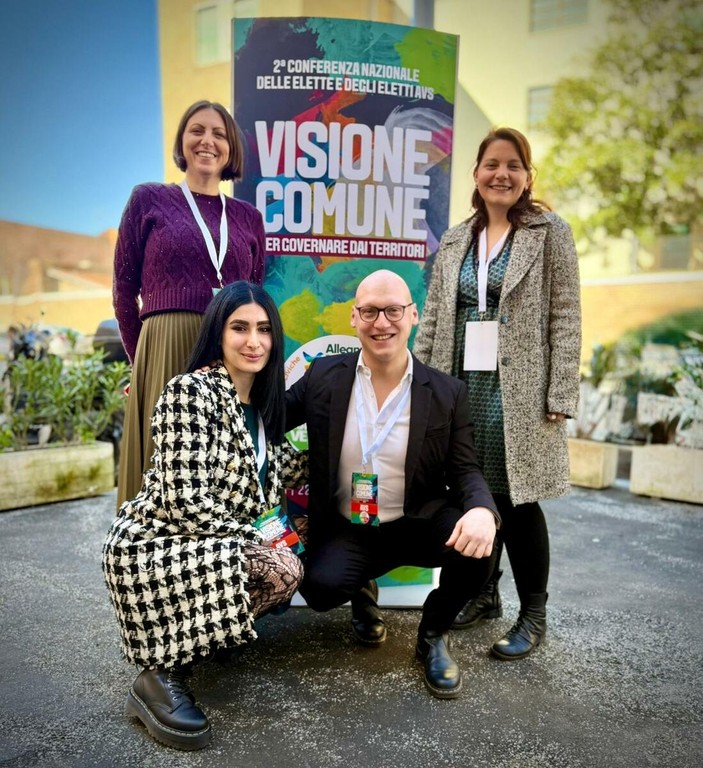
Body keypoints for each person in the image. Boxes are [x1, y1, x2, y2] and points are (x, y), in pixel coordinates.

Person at [102, 282, 306, 750]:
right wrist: (260, 541)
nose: (253, 341)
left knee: (304, 539)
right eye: (240, 328)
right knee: (282, 566)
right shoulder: (190, 392)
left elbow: (278, 470)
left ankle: (201, 639)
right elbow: (183, 500)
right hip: (158, 541)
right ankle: (158, 675)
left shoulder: (260, 405)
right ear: (218, 333)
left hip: (210, 539)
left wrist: (346, 450)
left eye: (264, 329)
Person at [285, 269, 500, 700]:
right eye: (369, 311)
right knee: (320, 589)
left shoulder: (447, 392)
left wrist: (482, 510)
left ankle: (432, 635)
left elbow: (465, 468)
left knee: (482, 544)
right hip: (349, 526)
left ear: (413, 315)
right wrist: (225, 380)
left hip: (416, 522)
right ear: (353, 317)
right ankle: (361, 589)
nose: (381, 322)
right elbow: (272, 415)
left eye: (393, 311)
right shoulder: (322, 375)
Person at [413, 127, 581, 660]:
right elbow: (435, 316)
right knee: (473, 493)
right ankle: (484, 593)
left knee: (518, 499)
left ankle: (533, 613)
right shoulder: (456, 239)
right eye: (491, 164)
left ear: (527, 176)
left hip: (521, 389)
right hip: (463, 383)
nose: (501, 174)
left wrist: (561, 391)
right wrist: (422, 384)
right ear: (476, 173)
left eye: (513, 165)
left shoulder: (549, 233)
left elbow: (566, 315)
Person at [113, 99, 265, 507]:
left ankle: (221, 546)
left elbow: (255, 296)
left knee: (224, 462)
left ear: (231, 147)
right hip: (167, 343)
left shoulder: (248, 217)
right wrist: (142, 361)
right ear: (182, 142)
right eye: (197, 130)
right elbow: (123, 289)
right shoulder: (149, 199)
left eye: (219, 134)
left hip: (229, 349)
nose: (207, 141)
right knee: (164, 465)